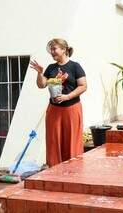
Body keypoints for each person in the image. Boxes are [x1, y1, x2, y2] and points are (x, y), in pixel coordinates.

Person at [30, 38, 87, 167]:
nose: (52, 52)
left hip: (71, 109)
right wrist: (39, 73)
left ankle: (73, 170)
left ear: (64, 49)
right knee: (54, 140)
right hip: (54, 110)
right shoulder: (51, 68)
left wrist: (68, 96)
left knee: (72, 140)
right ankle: (54, 170)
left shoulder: (75, 66)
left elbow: (83, 86)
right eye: (51, 49)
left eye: (54, 48)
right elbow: (41, 85)